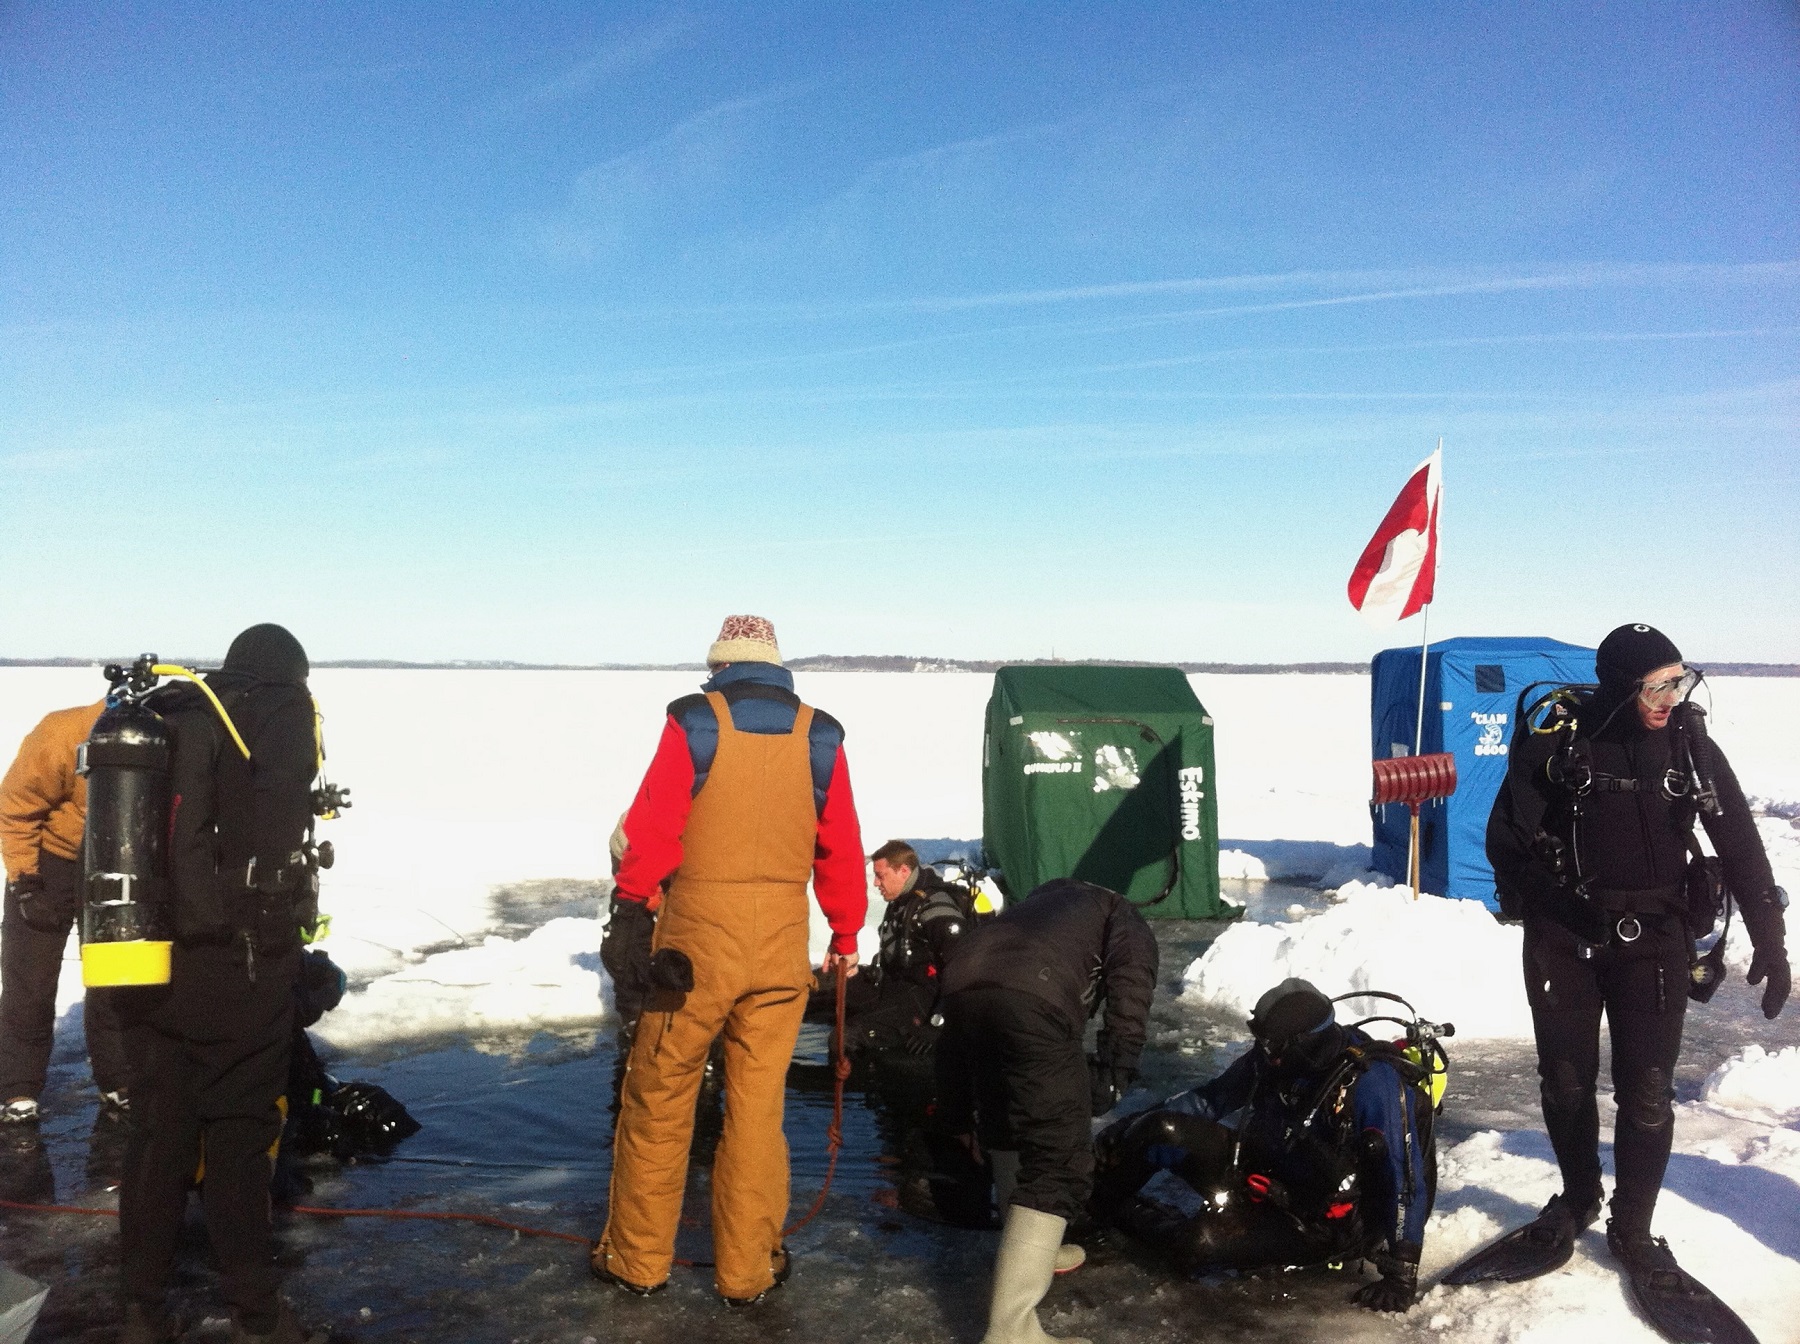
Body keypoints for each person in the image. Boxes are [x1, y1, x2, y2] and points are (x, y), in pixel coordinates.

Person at [1484, 622, 1789, 1296]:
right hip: (1564, 939)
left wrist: (1769, 935)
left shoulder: (1689, 747)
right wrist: (1547, 893)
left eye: (1681, 679)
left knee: (1646, 1091)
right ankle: (1579, 1196)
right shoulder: (1558, 744)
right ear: (1622, 686)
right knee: (1563, 1079)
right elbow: (1503, 840)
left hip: (1653, 939)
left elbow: (1738, 841)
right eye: (1658, 684)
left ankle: (1633, 1226)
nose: (1672, 695)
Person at [594, 615, 868, 1307]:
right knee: (755, 1107)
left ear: (719, 666)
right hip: (780, 945)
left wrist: (630, 906)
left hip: (695, 945)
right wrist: (845, 932)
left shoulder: (695, 721)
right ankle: (748, 1269)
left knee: (660, 1095)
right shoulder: (821, 734)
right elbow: (841, 843)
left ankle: (637, 1260)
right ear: (778, 667)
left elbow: (653, 822)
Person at [118, 625, 328, 1344]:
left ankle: (141, 1307)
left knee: (158, 1135)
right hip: (236, 963)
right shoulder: (280, 711)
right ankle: (257, 1313)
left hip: (146, 959)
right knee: (239, 1135)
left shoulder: (178, 710)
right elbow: (276, 833)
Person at [1089, 979, 1437, 1313]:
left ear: (1303, 1042)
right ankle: (1092, 1208)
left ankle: (1137, 1217)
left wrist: (1402, 1273)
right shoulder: (1271, 1059)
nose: (1262, 1051)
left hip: (1318, 1223)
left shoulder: (1372, 1084)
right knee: (1157, 1128)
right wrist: (1125, 1130)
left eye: (1270, 1044)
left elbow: (1403, 1180)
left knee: (1196, 1244)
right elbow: (1209, 1100)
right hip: (1261, 1173)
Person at [934, 877, 1157, 1344]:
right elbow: (1130, 985)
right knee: (1060, 1156)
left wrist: (955, 1114)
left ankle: (1034, 1247)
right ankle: (1012, 1331)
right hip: (1033, 997)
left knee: (1007, 1126)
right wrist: (1117, 1065)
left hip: (961, 989)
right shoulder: (1118, 911)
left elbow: (952, 1048)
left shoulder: (1030, 909)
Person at [0, 697, 131, 1126]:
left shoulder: (158, 740)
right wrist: (26, 882)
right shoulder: (63, 733)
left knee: (115, 978)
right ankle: (19, 1088)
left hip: (116, 861)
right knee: (30, 980)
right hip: (49, 858)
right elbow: (15, 808)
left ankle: (118, 1080)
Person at [819, 839, 971, 1056]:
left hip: (924, 1000)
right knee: (820, 988)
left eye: (881, 876)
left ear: (904, 871)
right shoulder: (903, 901)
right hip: (893, 986)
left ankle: (856, 1085)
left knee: (844, 1039)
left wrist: (937, 1024)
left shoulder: (937, 912)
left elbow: (963, 975)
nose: (876, 884)